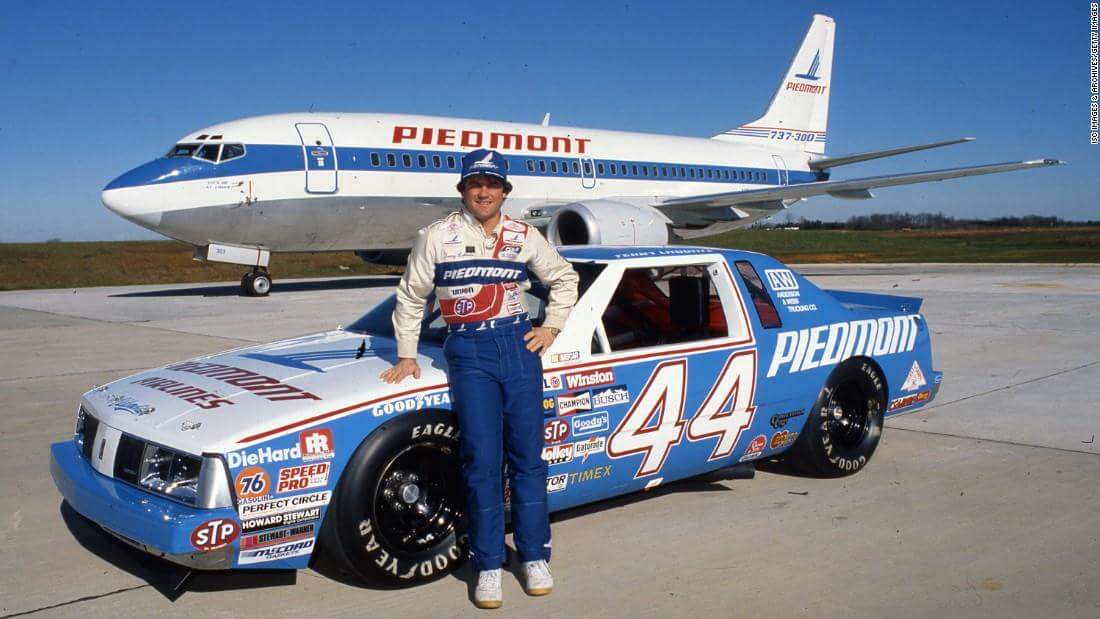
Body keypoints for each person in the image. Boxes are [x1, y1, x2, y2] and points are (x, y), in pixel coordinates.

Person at [381, 149, 579, 609]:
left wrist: (550, 327)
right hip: (469, 351)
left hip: (517, 345)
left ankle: (534, 556)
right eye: (476, 184)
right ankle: (488, 563)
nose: (484, 192)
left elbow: (564, 278)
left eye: (492, 184)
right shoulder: (436, 236)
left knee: (528, 457)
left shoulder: (524, 235)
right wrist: (407, 354)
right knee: (482, 459)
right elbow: (411, 295)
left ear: (504, 192)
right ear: (463, 190)